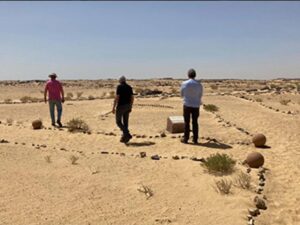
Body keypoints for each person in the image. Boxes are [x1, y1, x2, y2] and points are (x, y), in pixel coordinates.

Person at [180, 69, 203, 144]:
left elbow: (182, 94)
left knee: (186, 122)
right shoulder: (199, 84)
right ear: (195, 75)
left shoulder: (184, 83)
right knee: (195, 122)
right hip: (196, 105)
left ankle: (186, 139)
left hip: (187, 104)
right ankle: (195, 139)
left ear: (188, 75)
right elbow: (200, 95)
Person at [112, 76, 134, 143]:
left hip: (121, 106)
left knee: (118, 122)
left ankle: (127, 134)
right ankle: (125, 138)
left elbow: (117, 97)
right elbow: (132, 98)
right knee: (125, 123)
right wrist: (131, 106)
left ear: (120, 81)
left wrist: (113, 107)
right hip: (128, 106)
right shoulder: (129, 87)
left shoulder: (119, 87)